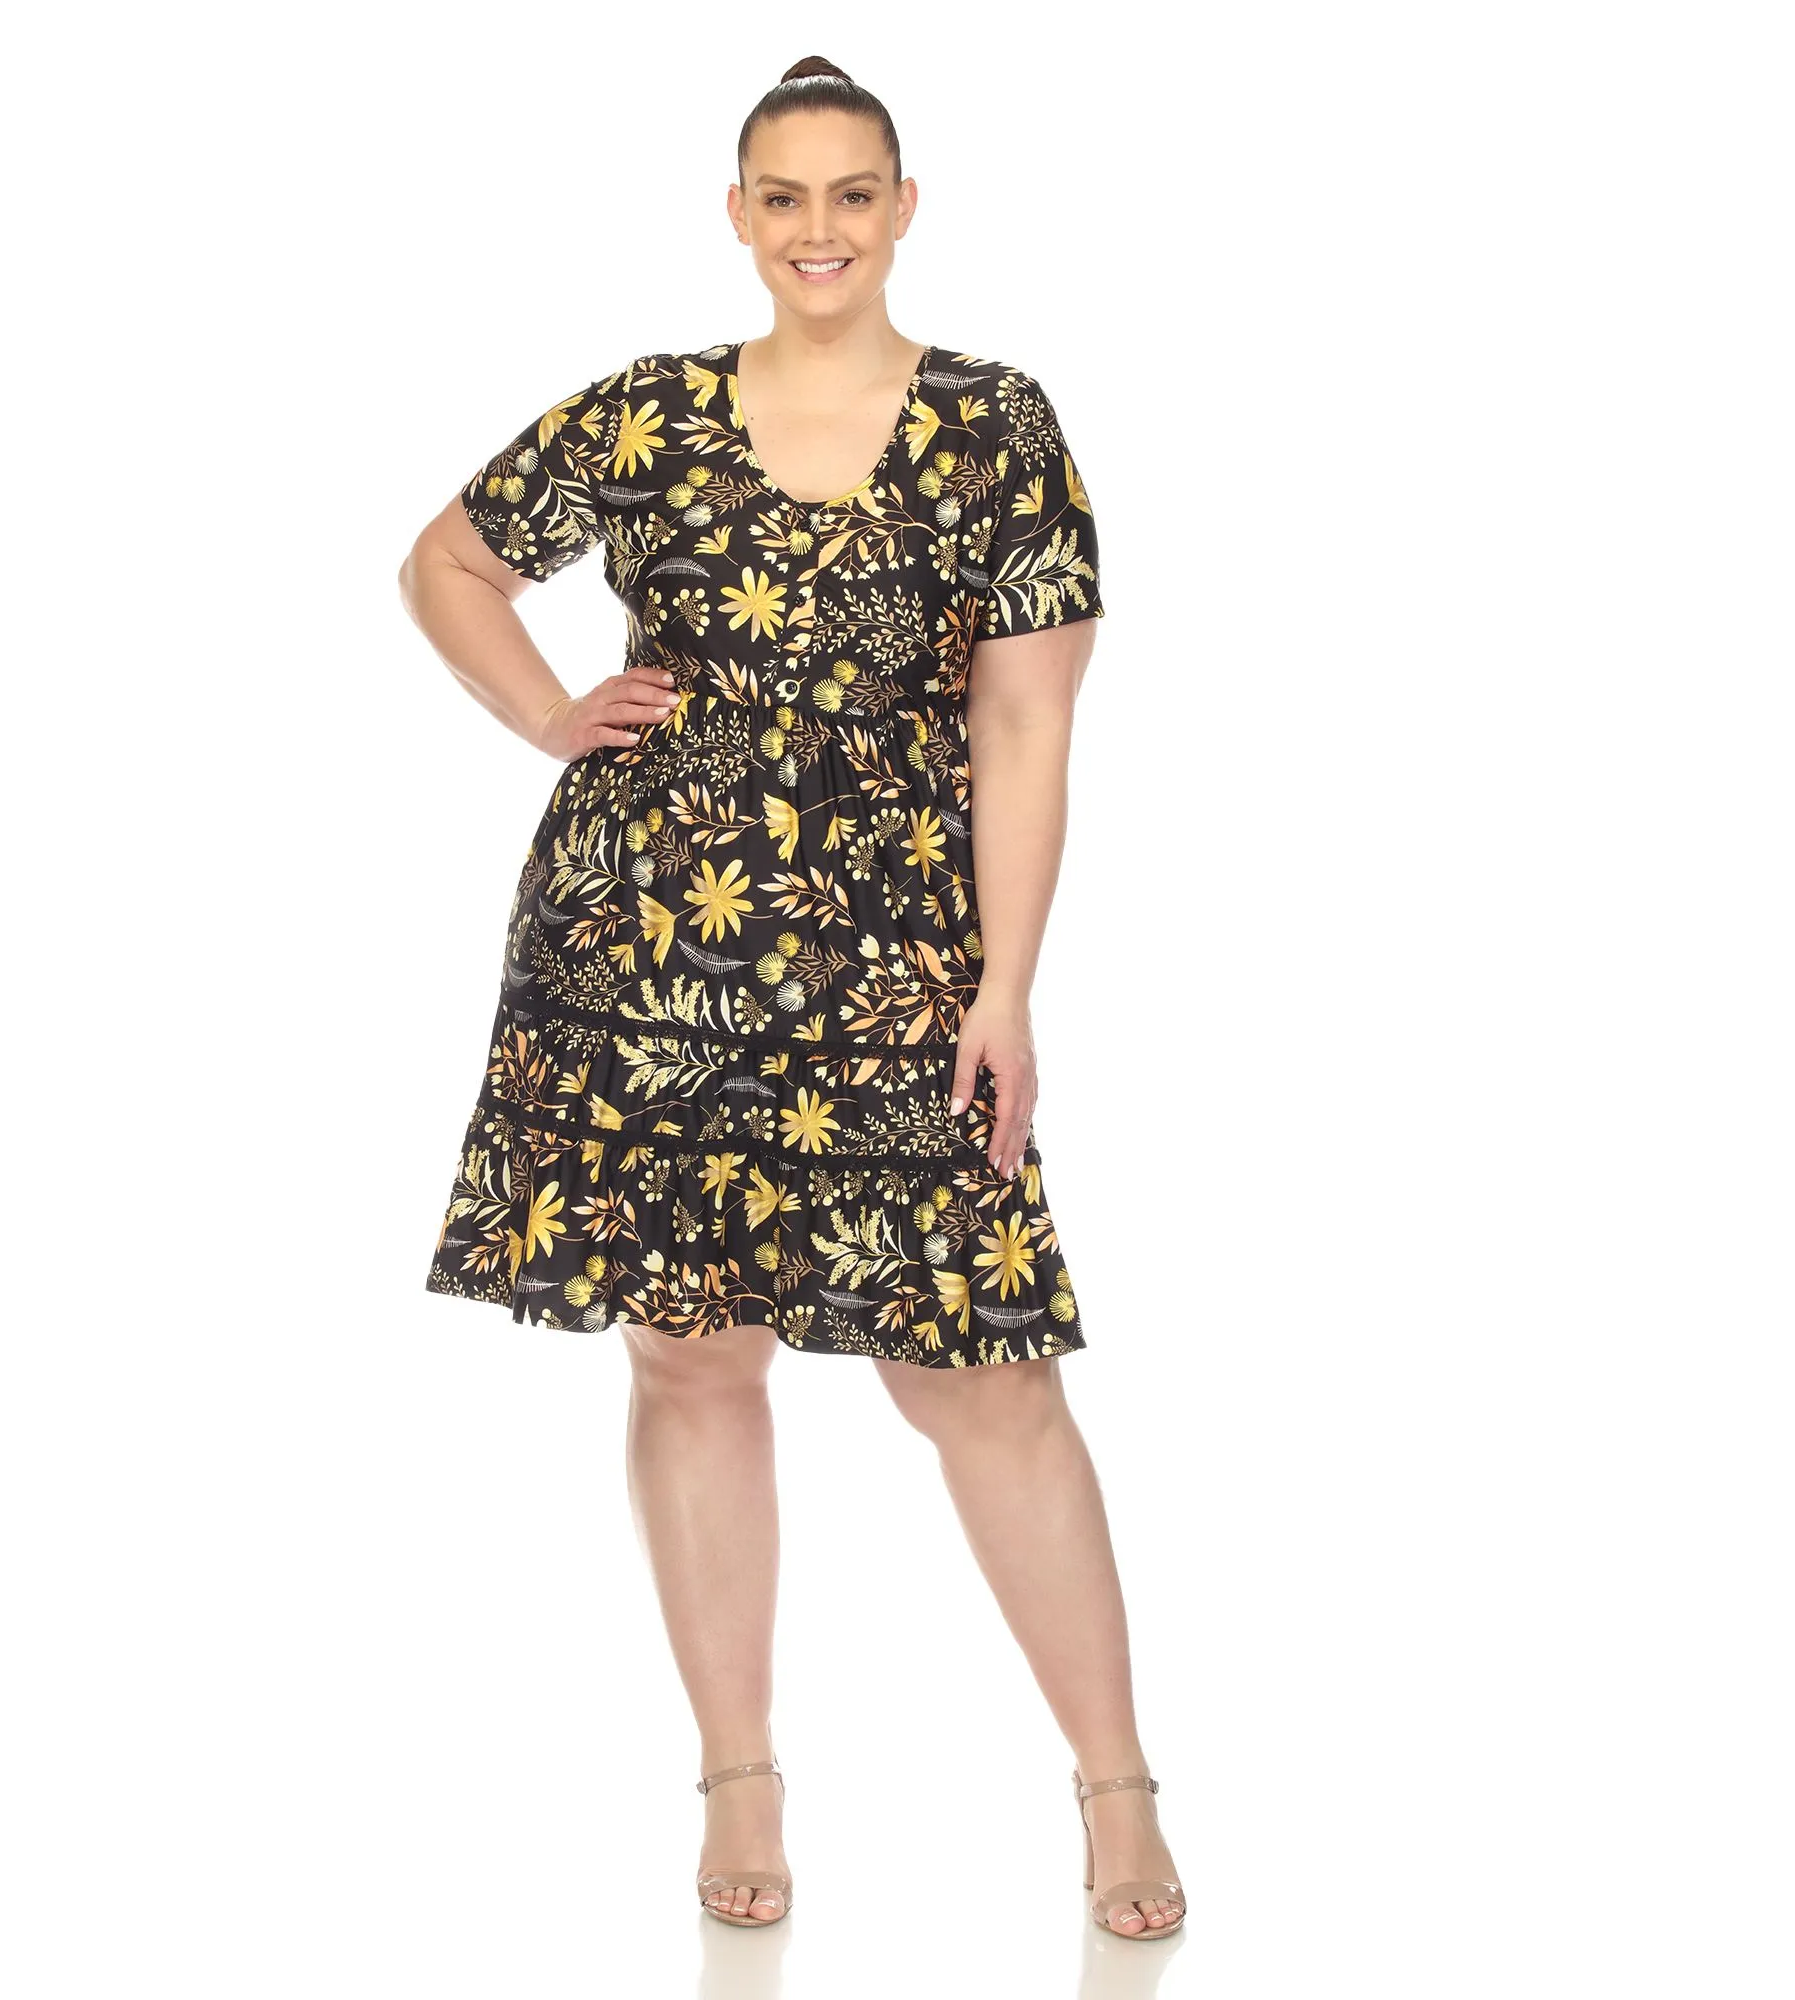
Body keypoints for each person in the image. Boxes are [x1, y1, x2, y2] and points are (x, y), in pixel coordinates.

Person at [398, 56, 1185, 1941]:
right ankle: (738, 1772)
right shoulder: (650, 412)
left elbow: (1025, 725)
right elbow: (447, 562)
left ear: (904, 209)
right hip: (644, 953)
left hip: (895, 966)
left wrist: (1007, 988)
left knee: (982, 1373)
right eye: (782, 196)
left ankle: (1118, 1785)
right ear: (737, 216)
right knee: (688, 1355)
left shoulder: (995, 424)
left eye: (850, 194)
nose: (816, 229)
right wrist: (549, 712)